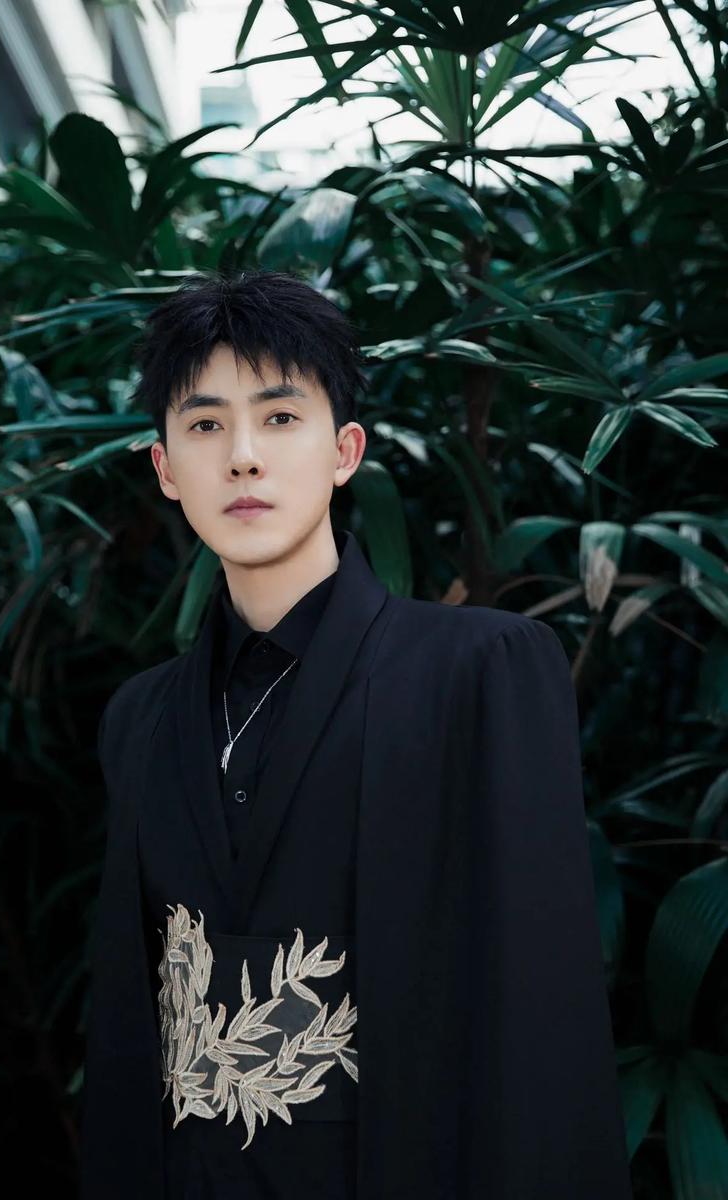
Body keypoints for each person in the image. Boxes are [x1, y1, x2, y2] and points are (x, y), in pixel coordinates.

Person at [79, 269, 633, 1200]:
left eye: (279, 417)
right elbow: (131, 1031)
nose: (242, 457)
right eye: (205, 425)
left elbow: (542, 1018)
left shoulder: (479, 671)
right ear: (166, 468)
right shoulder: (139, 719)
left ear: (345, 451)